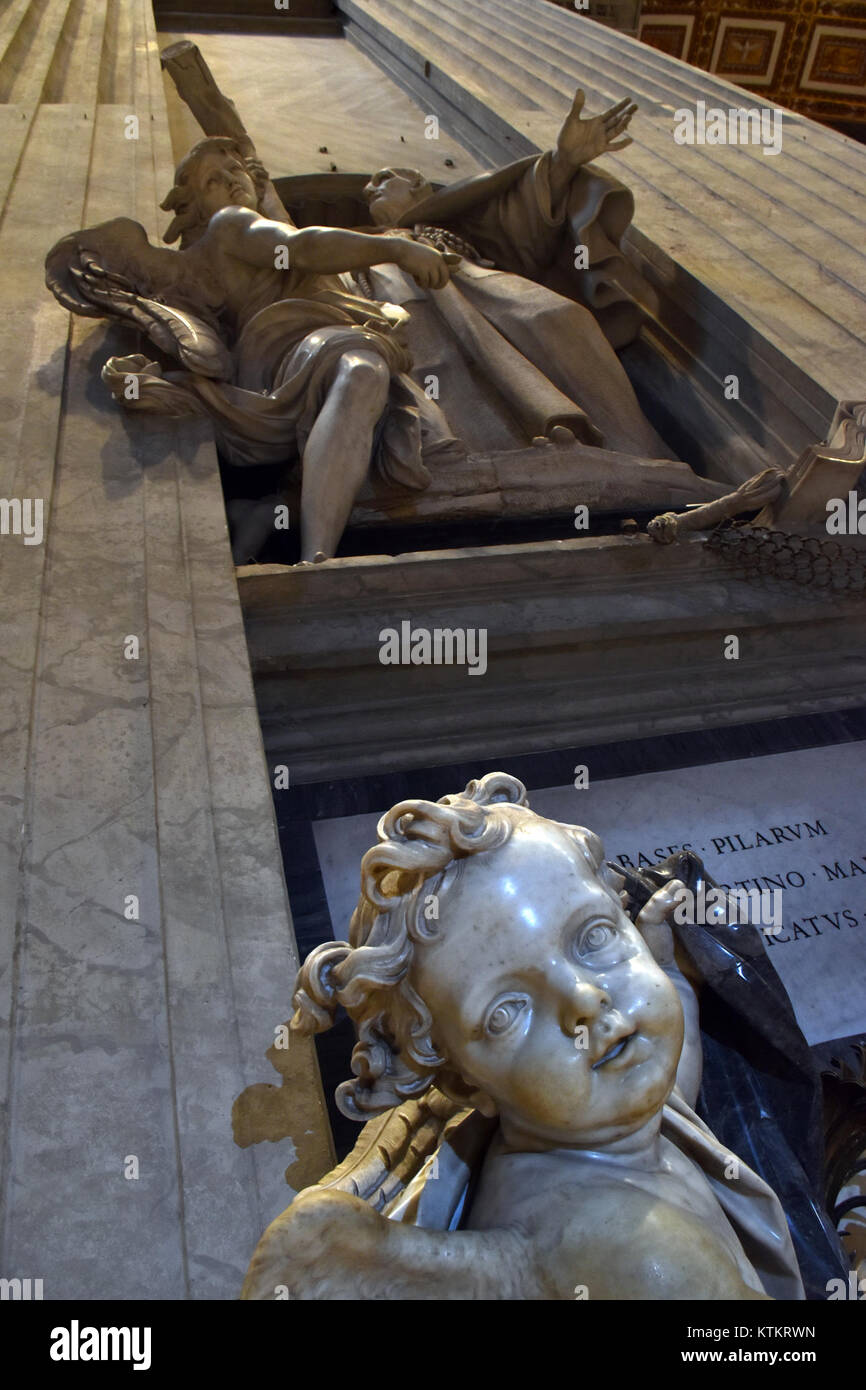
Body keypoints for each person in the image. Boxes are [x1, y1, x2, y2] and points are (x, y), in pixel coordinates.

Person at [241, 773, 804, 1300]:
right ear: (464, 1082)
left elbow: (674, 1094)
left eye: (596, 936)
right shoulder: (640, 1253)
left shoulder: (596, 1122)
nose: (586, 1001)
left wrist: (671, 974)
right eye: (508, 1013)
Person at [45, 136, 461, 562]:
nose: (229, 183)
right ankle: (317, 558)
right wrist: (396, 247)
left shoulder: (193, 265)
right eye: (212, 181)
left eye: (235, 172)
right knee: (359, 370)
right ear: (195, 205)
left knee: (362, 385)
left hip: (264, 372)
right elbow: (300, 247)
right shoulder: (229, 224)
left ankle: (284, 526)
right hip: (291, 345)